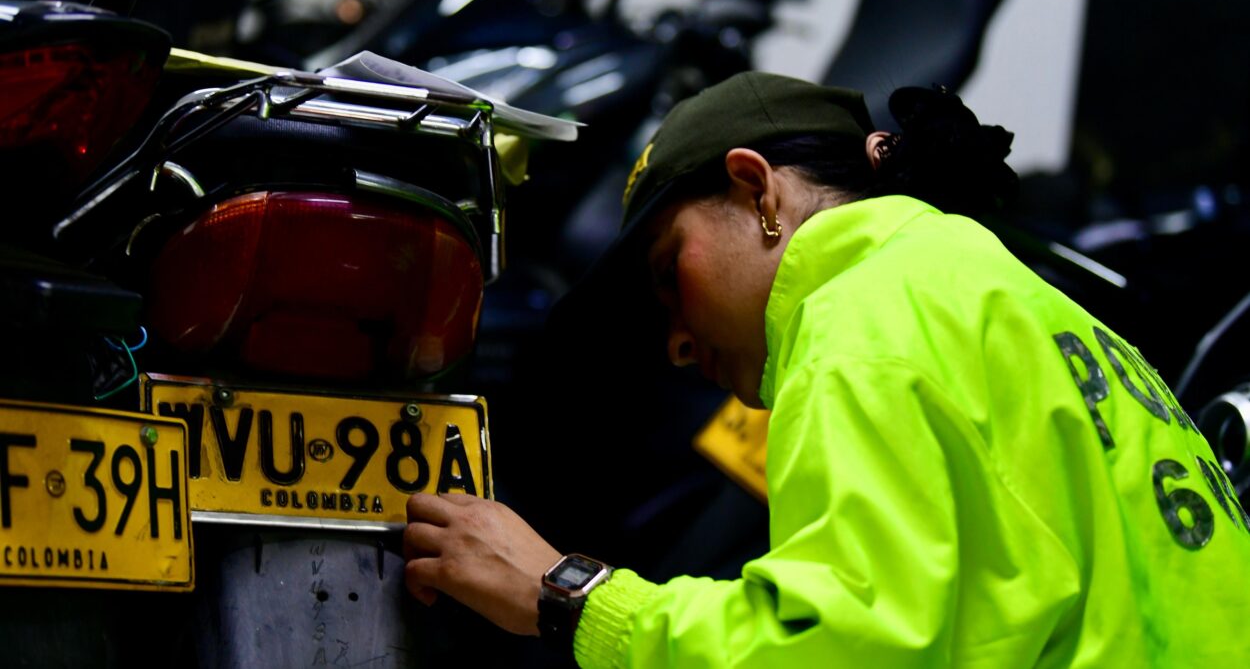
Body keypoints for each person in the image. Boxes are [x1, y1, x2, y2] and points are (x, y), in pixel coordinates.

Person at [402, 72, 1250, 667]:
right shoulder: (997, 286)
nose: (677, 343)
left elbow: (840, 645)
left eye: (670, 275)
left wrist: (568, 597)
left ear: (756, 191)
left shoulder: (861, 317)